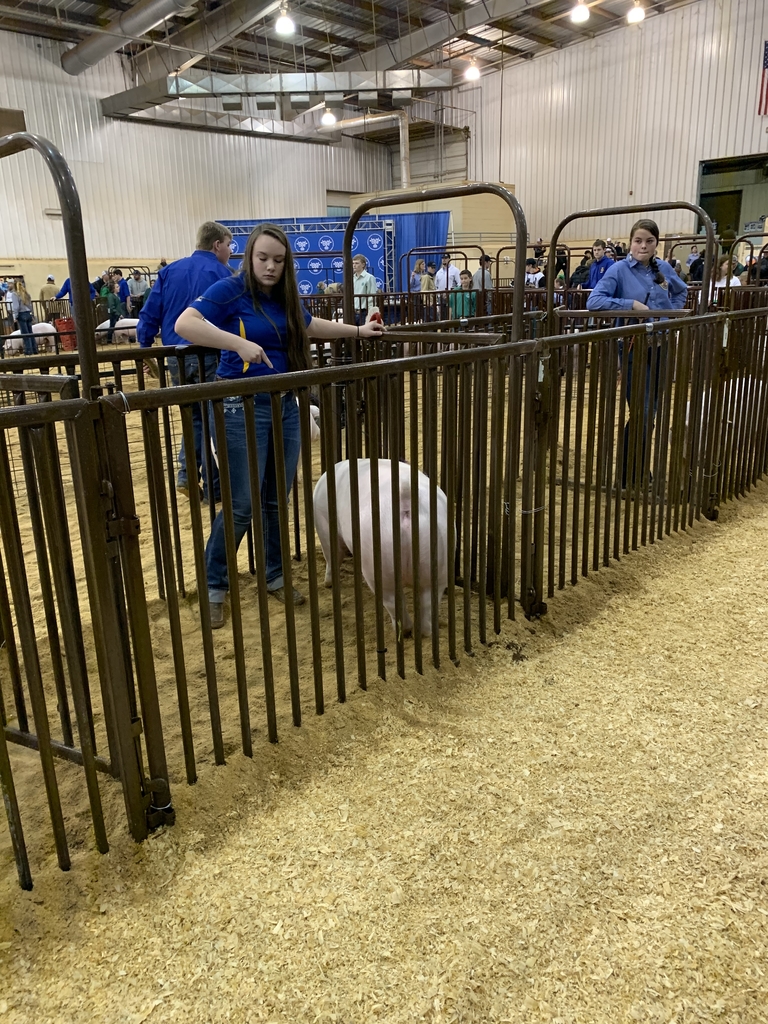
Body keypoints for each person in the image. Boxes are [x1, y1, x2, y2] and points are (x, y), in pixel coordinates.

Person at [175, 223, 384, 626]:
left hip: (285, 404)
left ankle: (274, 575)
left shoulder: (285, 297)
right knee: (241, 503)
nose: (270, 266)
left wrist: (358, 331)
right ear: (249, 256)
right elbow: (186, 323)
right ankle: (213, 584)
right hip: (240, 404)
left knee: (276, 498)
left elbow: (308, 326)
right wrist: (236, 343)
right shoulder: (231, 290)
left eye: (278, 260)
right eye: (263, 258)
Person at [586, 218, 687, 486]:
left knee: (651, 410)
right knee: (642, 410)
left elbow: (682, 292)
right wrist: (630, 305)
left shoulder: (664, 268)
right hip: (633, 345)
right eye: (638, 240)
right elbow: (594, 301)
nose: (643, 245)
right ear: (630, 243)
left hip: (662, 345)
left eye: (649, 241)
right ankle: (628, 473)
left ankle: (637, 470)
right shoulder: (618, 270)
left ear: (656, 243)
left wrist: (669, 317)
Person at [138, 221, 234, 502]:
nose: (229, 251)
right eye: (228, 245)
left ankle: (187, 475)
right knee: (213, 417)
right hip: (210, 353)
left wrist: (145, 349)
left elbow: (149, 313)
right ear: (216, 245)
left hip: (176, 356)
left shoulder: (169, 271)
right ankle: (214, 488)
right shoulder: (224, 274)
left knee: (192, 416)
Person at [8, 280, 36, 355]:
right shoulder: (26, 294)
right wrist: (31, 313)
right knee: (30, 333)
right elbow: (30, 306)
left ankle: (28, 351)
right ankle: (34, 349)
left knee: (25, 334)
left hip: (21, 314)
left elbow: (16, 307)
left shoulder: (15, 294)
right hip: (28, 313)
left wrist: (15, 316)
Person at [351, 254, 378, 323]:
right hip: (353, 312)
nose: (354, 265)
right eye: (353, 263)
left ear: (363, 265)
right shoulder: (352, 278)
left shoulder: (369, 278)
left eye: (357, 263)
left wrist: (370, 313)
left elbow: (372, 297)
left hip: (364, 312)